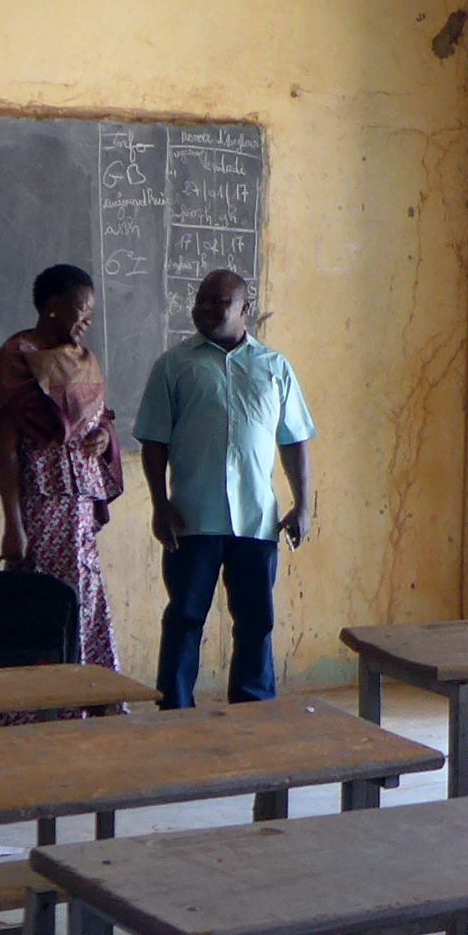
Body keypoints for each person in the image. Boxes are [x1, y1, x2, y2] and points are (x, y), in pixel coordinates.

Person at [132, 268, 313, 710]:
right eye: (201, 301)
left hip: (256, 520)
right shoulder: (174, 366)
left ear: (245, 310)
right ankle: (174, 709)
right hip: (193, 518)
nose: (207, 310)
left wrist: (303, 504)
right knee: (185, 618)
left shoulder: (275, 367)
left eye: (219, 302)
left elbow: (294, 440)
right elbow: (154, 441)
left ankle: (253, 709)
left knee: (255, 622)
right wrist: (161, 505)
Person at [0, 263, 121, 724]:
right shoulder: (14, 362)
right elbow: (7, 449)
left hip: (78, 500)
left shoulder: (80, 357)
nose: (87, 321)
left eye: (91, 313)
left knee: (83, 597)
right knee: (42, 604)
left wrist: (104, 439)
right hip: (41, 501)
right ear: (54, 306)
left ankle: (83, 699)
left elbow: (97, 420)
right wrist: (12, 526)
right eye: (82, 310)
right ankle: (29, 712)